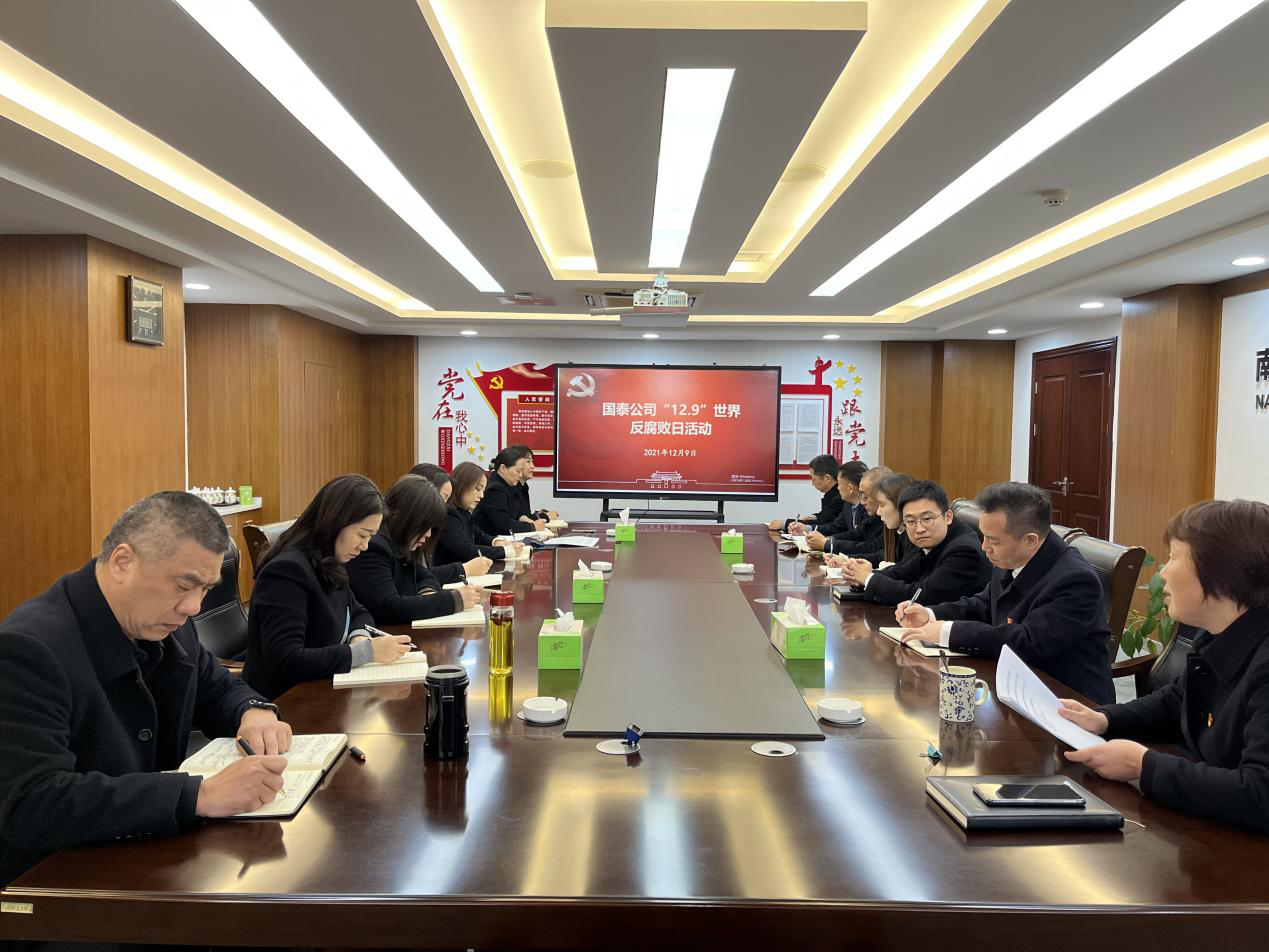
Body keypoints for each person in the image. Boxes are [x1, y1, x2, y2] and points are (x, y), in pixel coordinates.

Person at [0, 491, 294, 885]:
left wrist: (252, 710)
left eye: (206, 589)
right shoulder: (28, 649)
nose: (193, 607)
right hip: (55, 882)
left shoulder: (166, 622)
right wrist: (199, 795)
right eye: (184, 585)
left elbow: (214, 685)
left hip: (144, 855)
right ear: (123, 562)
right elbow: (33, 803)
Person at [1060, 499, 1269, 832]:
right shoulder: (1220, 633)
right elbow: (1177, 701)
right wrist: (1104, 719)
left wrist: (1143, 765)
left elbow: (1260, 795)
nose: (1162, 573)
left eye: (1173, 557)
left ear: (1221, 573)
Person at [896, 481, 1114, 705]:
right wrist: (930, 615)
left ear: (1030, 540)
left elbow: (1028, 641)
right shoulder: (1012, 557)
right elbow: (983, 604)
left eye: (993, 541)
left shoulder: (1075, 581)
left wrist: (947, 631)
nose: (984, 547)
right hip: (1016, 685)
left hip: (1068, 701)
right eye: (983, 536)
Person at [243, 475, 412, 700]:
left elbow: (359, 612)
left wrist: (358, 637)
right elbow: (286, 659)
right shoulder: (287, 572)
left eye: (371, 537)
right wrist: (366, 652)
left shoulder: (329, 561)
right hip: (285, 701)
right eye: (362, 535)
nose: (365, 546)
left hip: (320, 690)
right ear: (336, 522)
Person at [347, 475, 484, 624]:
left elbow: (427, 577)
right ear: (409, 518)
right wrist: (454, 599)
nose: (428, 534)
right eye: (425, 526)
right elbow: (389, 607)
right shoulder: (374, 547)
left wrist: (428, 595)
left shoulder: (400, 542)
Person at [837, 479, 992, 606]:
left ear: (948, 517)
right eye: (910, 521)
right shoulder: (935, 538)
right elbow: (905, 571)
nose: (919, 529)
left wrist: (869, 579)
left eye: (927, 519)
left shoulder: (964, 551)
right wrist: (862, 576)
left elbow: (923, 596)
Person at [436, 461, 526, 565]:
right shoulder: (449, 514)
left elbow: (478, 535)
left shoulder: (463, 511)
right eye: (478, 489)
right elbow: (466, 550)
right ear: (462, 485)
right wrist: (506, 551)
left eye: (483, 490)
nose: (481, 495)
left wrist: (497, 542)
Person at [830, 472, 915, 573]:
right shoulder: (896, 530)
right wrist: (847, 560)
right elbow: (882, 556)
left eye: (882, 505)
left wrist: (868, 575)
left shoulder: (914, 537)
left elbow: (906, 572)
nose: (878, 512)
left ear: (900, 504)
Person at [809, 465, 891, 556]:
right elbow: (858, 534)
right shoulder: (851, 506)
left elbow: (873, 549)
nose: (862, 502)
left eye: (865, 497)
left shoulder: (884, 519)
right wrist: (827, 540)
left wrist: (829, 544)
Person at [475, 445, 542, 537]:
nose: (520, 475)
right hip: (490, 542)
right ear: (503, 468)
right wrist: (532, 527)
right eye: (518, 471)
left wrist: (522, 517)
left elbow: (517, 511)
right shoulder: (495, 489)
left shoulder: (508, 485)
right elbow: (504, 524)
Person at [767, 454, 842, 532]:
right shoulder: (831, 493)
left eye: (814, 479)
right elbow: (826, 515)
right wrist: (815, 517)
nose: (812, 484)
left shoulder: (840, 497)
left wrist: (784, 523)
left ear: (827, 478)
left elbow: (823, 523)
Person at [509, 445, 558, 523]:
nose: (533, 466)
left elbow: (525, 515)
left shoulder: (523, 485)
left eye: (532, 461)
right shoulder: (512, 486)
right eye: (528, 462)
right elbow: (519, 519)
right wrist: (545, 516)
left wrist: (538, 514)